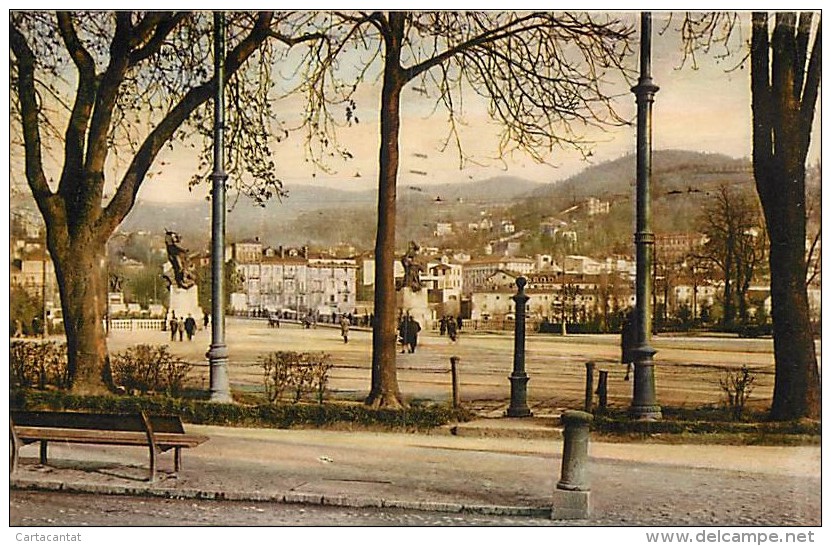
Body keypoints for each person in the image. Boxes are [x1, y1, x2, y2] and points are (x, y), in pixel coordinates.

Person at [620, 308, 637, 381]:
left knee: (630, 361)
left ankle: (629, 374)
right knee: (631, 361)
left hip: (628, 344)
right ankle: (629, 374)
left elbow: (624, 335)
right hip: (632, 343)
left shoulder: (626, 324)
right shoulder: (634, 324)